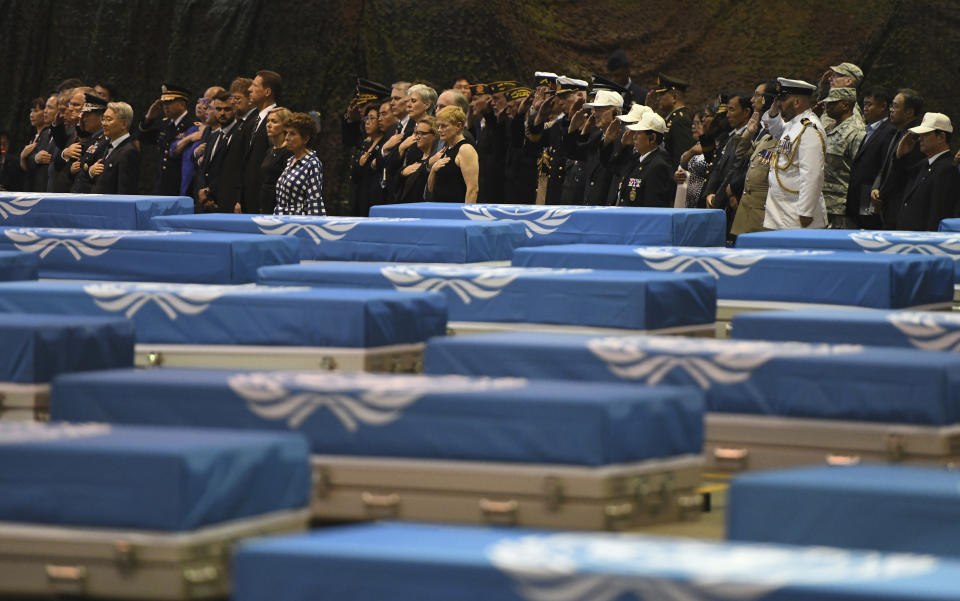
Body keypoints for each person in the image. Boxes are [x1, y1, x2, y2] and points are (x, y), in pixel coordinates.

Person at [764, 78, 827, 230]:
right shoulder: (794, 124)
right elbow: (777, 131)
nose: (779, 104)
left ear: (797, 101)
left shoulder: (809, 128)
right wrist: (773, 113)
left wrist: (806, 212)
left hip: (797, 214)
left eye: (783, 100)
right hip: (781, 210)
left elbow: (812, 174)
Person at [891, 113, 960, 231]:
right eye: (920, 135)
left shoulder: (947, 169)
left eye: (925, 134)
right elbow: (898, 184)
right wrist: (901, 157)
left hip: (924, 243)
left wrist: (930, 243)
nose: (919, 138)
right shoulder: (925, 164)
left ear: (941, 137)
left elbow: (938, 213)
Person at [871, 88, 924, 228]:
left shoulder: (914, 137)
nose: (891, 110)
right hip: (886, 205)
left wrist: (882, 195)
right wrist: (877, 190)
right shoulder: (897, 132)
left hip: (899, 207)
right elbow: (885, 168)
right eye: (891, 106)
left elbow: (903, 175)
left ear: (909, 112)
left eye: (895, 106)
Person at [845, 87, 897, 228]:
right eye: (864, 105)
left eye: (869, 104)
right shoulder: (868, 130)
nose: (865, 108)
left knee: (867, 230)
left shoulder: (890, 131)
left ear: (883, 106)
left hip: (869, 194)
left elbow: (883, 167)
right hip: (857, 195)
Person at [821, 87, 865, 228]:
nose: (827, 107)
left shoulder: (856, 132)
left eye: (832, 103)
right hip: (822, 203)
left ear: (845, 105)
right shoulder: (828, 128)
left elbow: (859, 171)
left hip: (841, 207)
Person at [139, 83, 192, 195]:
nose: (165, 107)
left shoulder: (191, 125)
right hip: (162, 184)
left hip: (181, 185)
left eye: (169, 102)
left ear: (182, 104)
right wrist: (148, 119)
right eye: (163, 103)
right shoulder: (165, 124)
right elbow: (143, 138)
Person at [196, 91, 242, 212]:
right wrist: (205, 195)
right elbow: (205, 170)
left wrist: (209, 191)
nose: (222, 113)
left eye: (227, 109)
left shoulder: (240, 134)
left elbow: (231, 171)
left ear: (234, 109)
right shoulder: (213, 136)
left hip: (227, 202)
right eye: (218, 109)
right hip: (207, 202)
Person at [244, 70, 281, 213]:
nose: (249, 89)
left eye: (254, 85)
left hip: (265, 201)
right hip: (248, 197)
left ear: (267, 92)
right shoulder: (252, 119)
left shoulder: (279, 120)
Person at [274, 112, 325, 216]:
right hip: (281, 220)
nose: (287, 138)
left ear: (305, 138)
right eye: (286, 133)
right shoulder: (291, 160)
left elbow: (314, 201)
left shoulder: (312, 163)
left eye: (292, 134)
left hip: (298, 223)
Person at [618, 112, 674, 206]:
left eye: (639, 133)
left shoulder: (658, 166)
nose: (634, 137)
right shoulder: (637, 159)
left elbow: (653, 205)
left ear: (652, 138)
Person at [428, 106, 479, 203]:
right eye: (438, 126)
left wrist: (467, 215)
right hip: (441, 209)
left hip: (456, 212)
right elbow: (431, 189)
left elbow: (473, 189)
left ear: (458, 126)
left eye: (444, 126)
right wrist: (433, 170)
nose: (439, 130)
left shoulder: (465, 149)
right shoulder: (445, 149)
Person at [90, 102, 140, 194]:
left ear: (124, 124)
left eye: (109, 120)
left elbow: (125, 191)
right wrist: (92, 172)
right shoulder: (110, 146)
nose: (104, 124)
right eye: (103, 119)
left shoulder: (128, 151)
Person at [349, 104, 387, 215]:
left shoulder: (384, 144)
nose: (367, 122)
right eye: (366, 118)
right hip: (359, 197)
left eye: (372, 118)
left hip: (375, 199)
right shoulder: (365, 144)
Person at [70, 93, 111, 194]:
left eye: (87, 115)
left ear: (101, 117)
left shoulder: (105, 140)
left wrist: (89, 172)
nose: (84, 119)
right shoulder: (94, 138)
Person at [655, 74, 695, 169]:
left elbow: (681, 156)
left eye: (661, 95)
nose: (658, 98)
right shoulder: (672, 119)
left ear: (674, 97)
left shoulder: (680, 120)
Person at [258, 106, 293, 215]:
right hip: (266, 204)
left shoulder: (288, 152)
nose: (268, 125)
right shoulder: (269, 150)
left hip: (281, 205)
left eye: (274, 121)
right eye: (268, 121)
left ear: (285, 126)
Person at [397, 116, 439, 203]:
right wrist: (402, 173)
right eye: (416, 133)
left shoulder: (436, 159)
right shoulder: (414, 156)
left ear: (434, 135)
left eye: (422, 133)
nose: (417, 137)